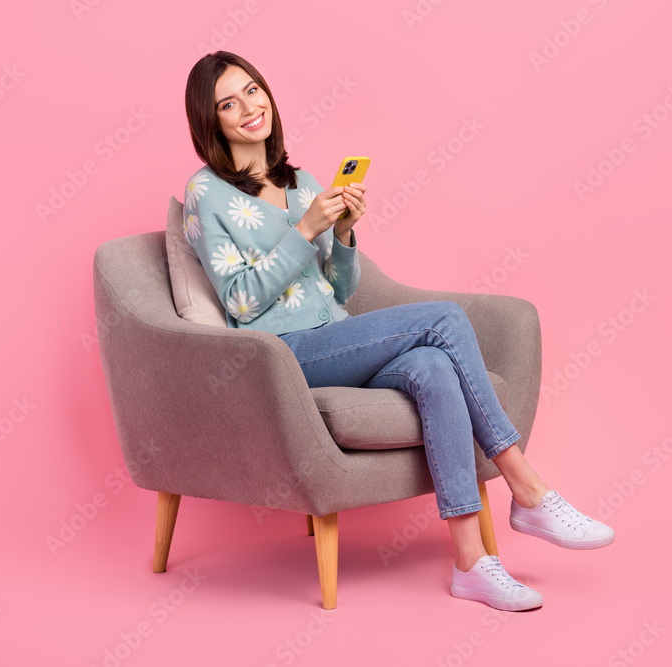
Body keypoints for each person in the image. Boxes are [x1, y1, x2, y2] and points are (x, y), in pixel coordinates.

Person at [184, 51, 614, 612]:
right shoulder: (206, 194)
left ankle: (472, 565)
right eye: (228, 102)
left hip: (332, 336)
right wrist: (303, 230)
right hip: (281, 353)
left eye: (253, 90)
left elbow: (338, 292)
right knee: (442, 318)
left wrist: (340, 234)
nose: (248, 107)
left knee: (433, 367)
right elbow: (240, 302)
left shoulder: (302, 183)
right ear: (210, 120)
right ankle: (527, 488)